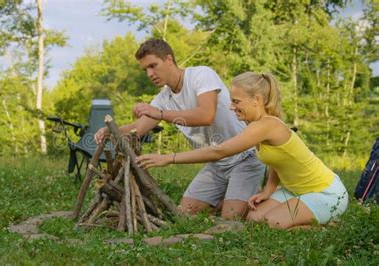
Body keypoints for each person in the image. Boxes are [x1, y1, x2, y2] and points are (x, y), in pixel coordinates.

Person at [136, 71, 349, 229]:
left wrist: (169, 158)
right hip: (293, 190)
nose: (231, 107)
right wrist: (268, 190)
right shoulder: (257, 124)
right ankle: (301, 216)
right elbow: (277, 161)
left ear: (256, 100)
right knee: (254, 220)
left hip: (324, 191)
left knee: (270, 225)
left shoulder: (266, 125)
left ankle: (325, 226)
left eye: (236, 101)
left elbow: (219, 152)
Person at [95, 39, 265, 219]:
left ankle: (256, 194)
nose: (150, 74)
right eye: (145, 69)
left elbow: (206, 115)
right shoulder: (163, 98)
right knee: (184, 213)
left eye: (153, 65)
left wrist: (160, 114)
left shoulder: (201, 75)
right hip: (216, 164)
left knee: (230, 218)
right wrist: (110, 130)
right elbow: (139, 128)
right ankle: (234, 193)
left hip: (244, 157)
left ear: (169, 60)